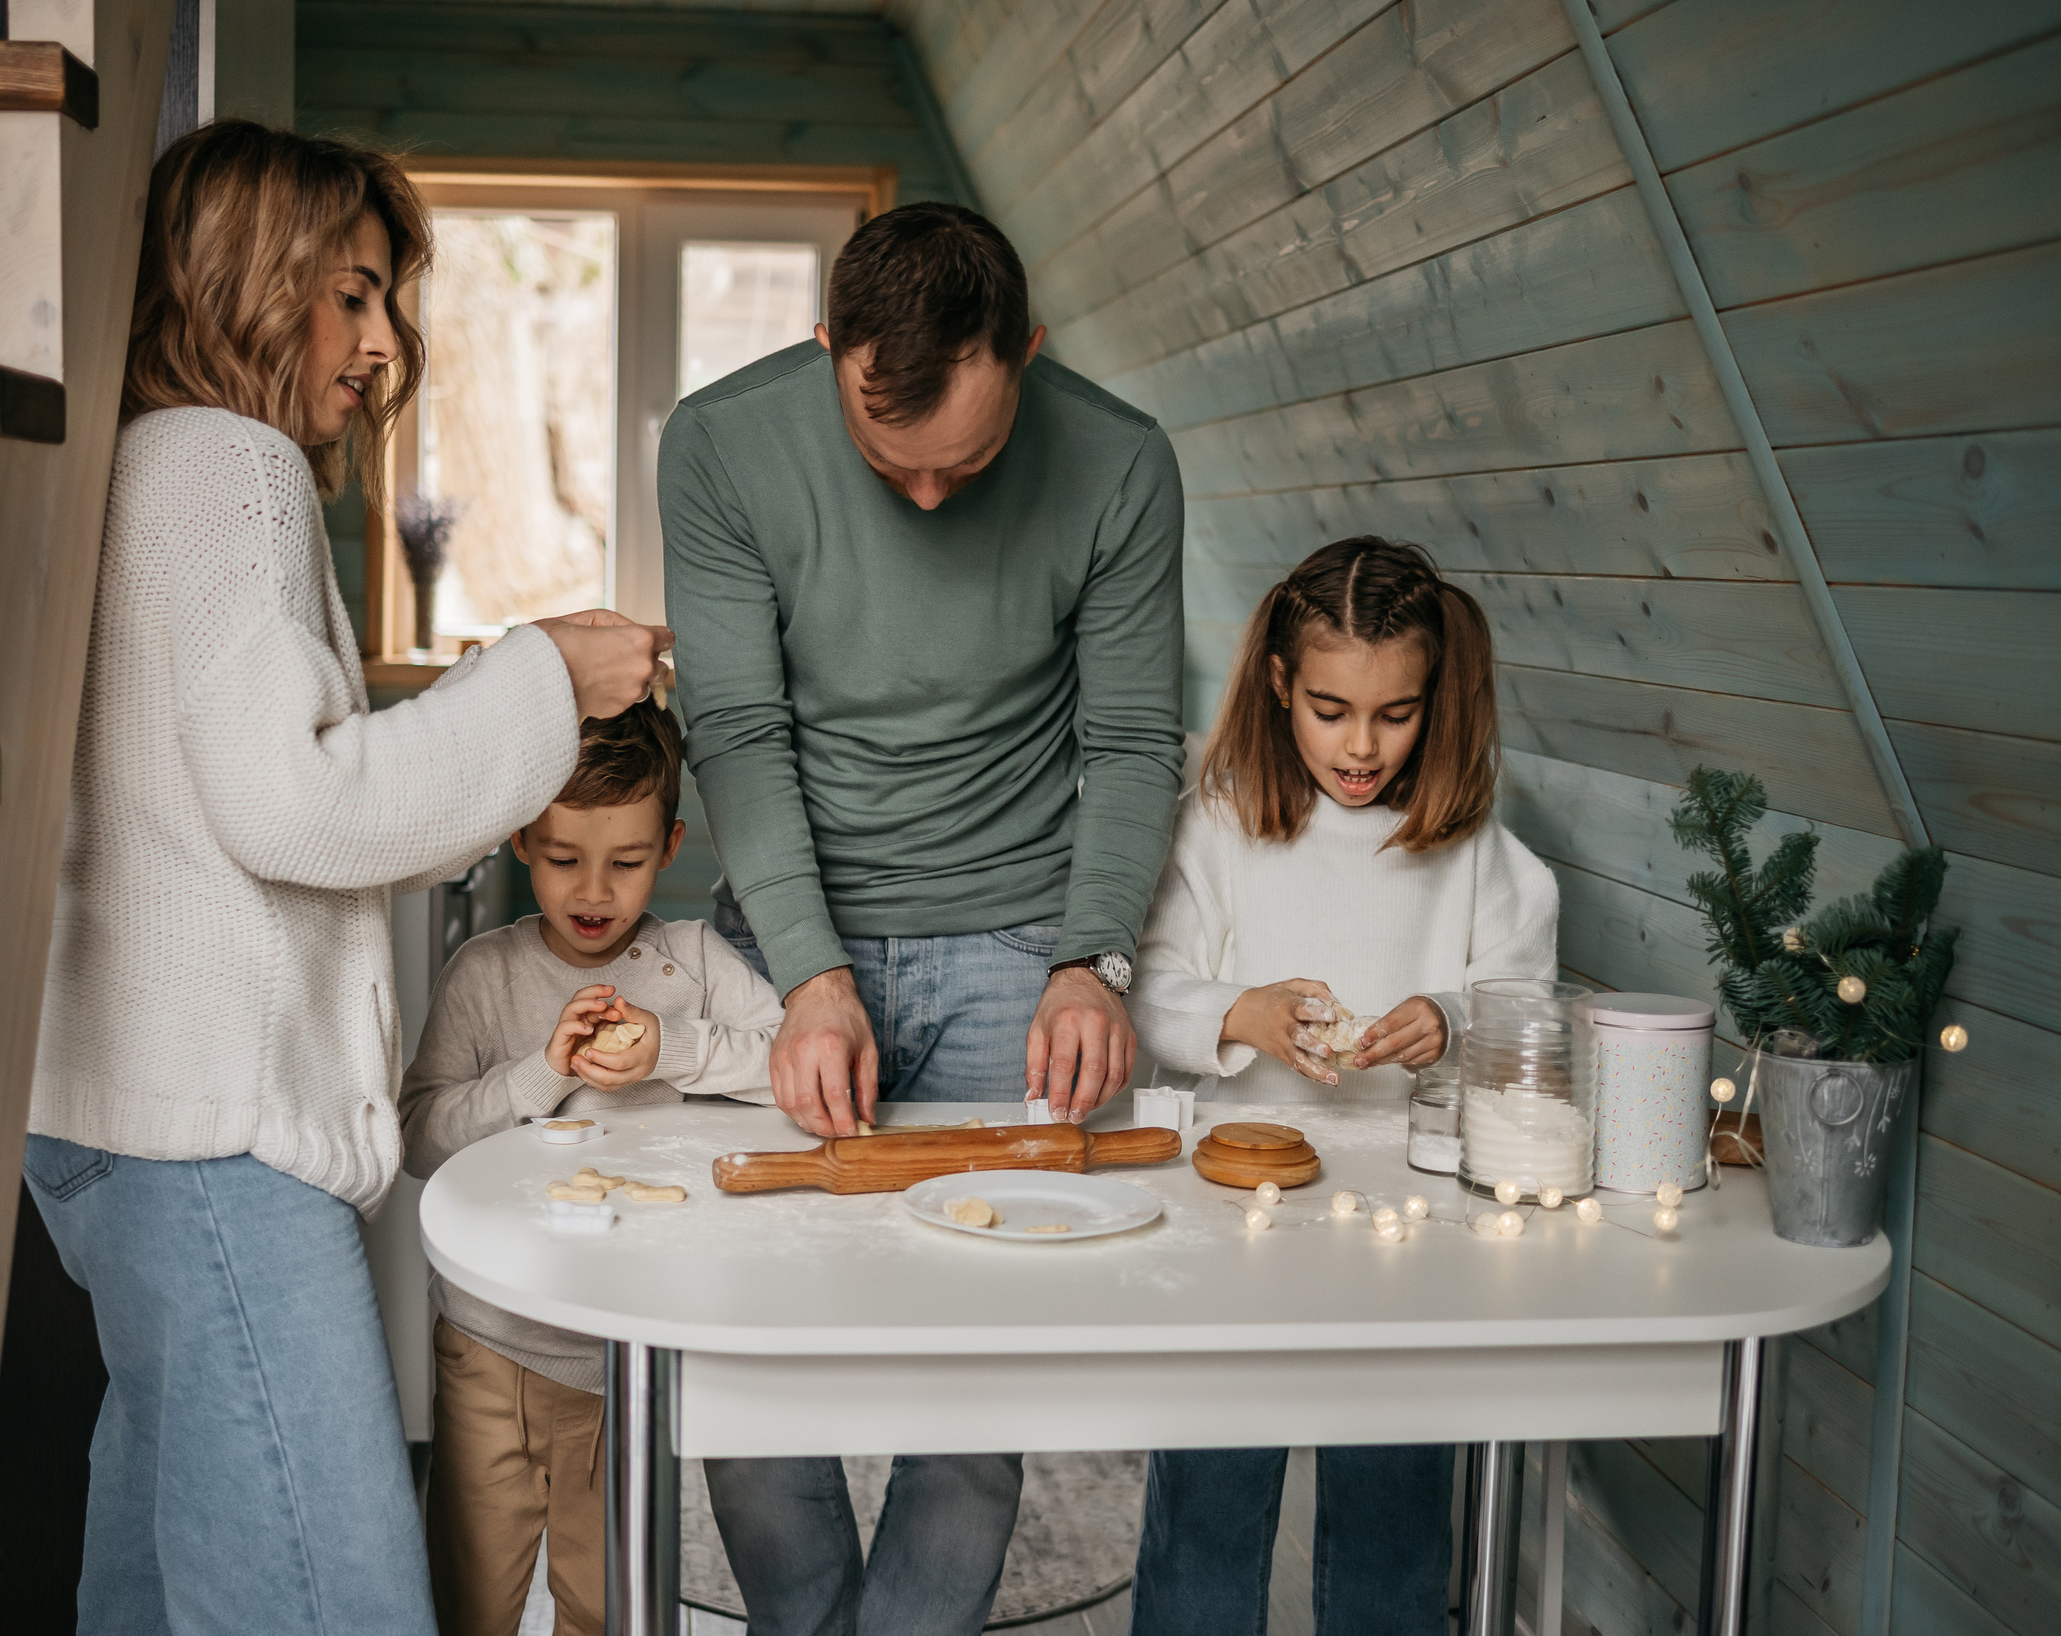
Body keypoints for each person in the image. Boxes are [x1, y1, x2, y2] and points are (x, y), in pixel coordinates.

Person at [24, 120, 667, 1636]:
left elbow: (252, 786)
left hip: (123, 1132)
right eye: (352, 294)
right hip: (217, 1149)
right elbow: (297, 800)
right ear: (250, 281)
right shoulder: (226, 464)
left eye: (388, 305)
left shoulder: (140, 465)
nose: (383, 344)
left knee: (158, 1577)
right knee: (339, 1601)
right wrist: (540, 679)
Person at [660, 202, 1186, 1636]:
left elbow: (1135, 738)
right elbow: (740, 733)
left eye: (972, 461)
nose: (937, 501)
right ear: (832, 350)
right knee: (751, 1345)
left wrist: (1092, 959)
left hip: (1023, 942)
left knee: (979, 1372)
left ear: (1028, 351)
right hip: (785, 939)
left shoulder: (1126, 461)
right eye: (896, 467)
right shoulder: (716, 445)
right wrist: (816, 977)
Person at [1124, 536, 1558, 1636]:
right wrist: (1242, 1011)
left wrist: (1449, 1022)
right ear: (1278, 685)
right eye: (1329, 709)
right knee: (1210, 1513)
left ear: (1437, 697)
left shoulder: (1471, 852)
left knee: (1393, 1515)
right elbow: (1151, 993)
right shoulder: (1218, 825)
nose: (1360, 746)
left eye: (1394, 713)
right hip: (1235, 1215)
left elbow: (1526, 1012)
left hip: (1404, 1230)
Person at [399, 700, 781, 1636]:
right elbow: (417, 1136)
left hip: (626, 1366)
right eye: (565, 859)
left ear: (672, 844)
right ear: (524, 839)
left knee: (610, 1608)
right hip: (489, 1348)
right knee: (467, 1601)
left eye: (629, 860)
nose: (594, 891)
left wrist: (675, 1051)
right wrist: (541, 1070)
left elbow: (789, 1066)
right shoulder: (484, 975)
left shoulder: (691, 962)